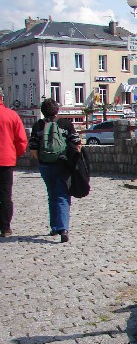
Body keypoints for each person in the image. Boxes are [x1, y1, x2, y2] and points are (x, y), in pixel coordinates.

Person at [29, 99, 81, 243]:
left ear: (42, 111)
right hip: (63, 164)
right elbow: (77, 144)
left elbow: (33, 149)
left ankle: (54, 227)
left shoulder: (38, 126)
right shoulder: (66, 124)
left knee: (52, 195)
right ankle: (63, 229)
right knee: (63, 195)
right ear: (57, 110)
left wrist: (42, 160)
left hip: (46, 165)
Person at [0, 88, 28, 238]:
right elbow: (21, 140)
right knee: (5, 195)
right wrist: (15, 153)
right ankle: (5, 227)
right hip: (6, 160)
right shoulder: (11, 115)